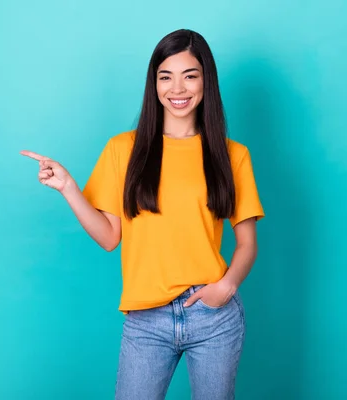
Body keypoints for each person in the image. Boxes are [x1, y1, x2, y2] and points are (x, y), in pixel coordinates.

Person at [21, 28, 264, 400]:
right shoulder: (124, 150)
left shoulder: (232, 156)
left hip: (213, 314)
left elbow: (247, 244)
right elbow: (109, 238)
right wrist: (69, 187)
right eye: (166, 77)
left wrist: (226, 288)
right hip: (146, 318)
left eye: (190, 76)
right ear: (154, 84)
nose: (177, 89)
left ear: (206, 82)